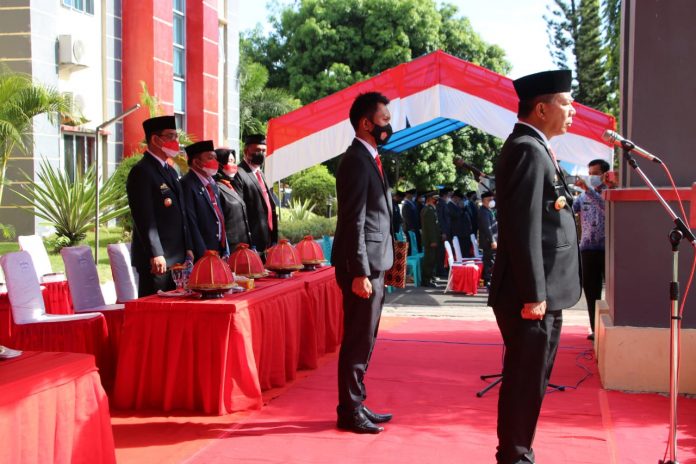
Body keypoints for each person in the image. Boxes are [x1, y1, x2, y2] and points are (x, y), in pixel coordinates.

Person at [487, 69, 581, 464]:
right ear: (541, 109)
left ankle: (518, 451)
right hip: (531, 295)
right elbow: (522, 226)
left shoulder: (535, 146)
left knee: (532, 381)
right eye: (565, 102)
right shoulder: (528, 149)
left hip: (541, 291)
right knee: (525, 382)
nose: (572, 109)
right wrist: (534, 295)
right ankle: (514, 455)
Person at [331, 91, 394, 434]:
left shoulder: (370, 157)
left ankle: (356, 402)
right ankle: (349, 411)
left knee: (365, 338)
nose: (389, 126)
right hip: (362, 267)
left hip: (374, 262)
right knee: (357, 339)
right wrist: (359, 271)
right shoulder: (356, 159)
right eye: (384, 120)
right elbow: (353, 219)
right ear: (366, 123)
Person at [127, 115, 192, 297]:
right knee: (155, 310)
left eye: (176, 136)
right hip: (158, 260)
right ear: (155, 139)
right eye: (171, 136)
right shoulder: (142, 171)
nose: (176, 141)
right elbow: (144, 218)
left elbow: (181, 213)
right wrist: (156, 253)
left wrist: (187, 247)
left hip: (177, 258)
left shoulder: (170, 170)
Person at [573, 159, 616, 340]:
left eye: (595, 173)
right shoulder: (582, 197)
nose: (592, 177)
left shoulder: (610, 194)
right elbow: (570, 209)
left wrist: (588, 190)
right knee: (591, 290)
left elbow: (605, 208)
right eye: (589, 173)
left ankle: (611, 326)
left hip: (607, 249)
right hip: (587, 249)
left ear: (605, 174)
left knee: (612, 292)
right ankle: (594, 329)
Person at [180, 140, 228, 261]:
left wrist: (225, 247)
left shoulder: (212, 184)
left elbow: (219, 217)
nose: (216, 162)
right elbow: (191, 223)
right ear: (196, 162)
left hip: (218, 249)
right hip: (203, 253)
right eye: (210, 158)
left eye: (215, 158)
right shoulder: (187, 184)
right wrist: (203, 254)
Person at [232, 134, 278, 257]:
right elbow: (240, 211)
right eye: (257, 150)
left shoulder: (262, 174)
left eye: (263, 151)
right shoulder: (238, 174)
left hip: (268, 236)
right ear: (246, 151)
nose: (261, 154)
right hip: (253, 240)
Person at [214, 147, 252, 252]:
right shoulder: (216, 188)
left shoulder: (230, 185)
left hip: (242, 246)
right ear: (219, 163)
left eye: (234, 161)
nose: (234, 165)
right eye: (230, 161)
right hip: (230, 248)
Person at [420, 191, 441, 288]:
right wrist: (433, 240)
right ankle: (426, 280)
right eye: (434, 198)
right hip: (430, 241)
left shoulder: (431, 209)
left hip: (432, 240)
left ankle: (430, 277)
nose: (436, 200)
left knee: (432, 260)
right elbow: (430, 227)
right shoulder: (428, 210)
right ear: (429, 199)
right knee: (429, 260)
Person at [478, 191, 498, 287]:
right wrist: (492, 240)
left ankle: (487, 279)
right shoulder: (484, 212)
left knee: (489, 260)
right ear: (484, 201)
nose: (491, 201)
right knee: (489, 260)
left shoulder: (488, 210)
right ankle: (487, 280)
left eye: (492, 199)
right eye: (489, 199)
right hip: (488, 242)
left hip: (489, 241)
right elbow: (487, 228)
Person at [448, 189, 474, 258]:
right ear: (455, 198)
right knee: (461, 252)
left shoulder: (460, 207)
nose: (460, 201)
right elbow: (455, 216)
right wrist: (461, 208)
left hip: (465, 232)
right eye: (459, 199)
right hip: (458, 233)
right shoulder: (450, 206)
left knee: (466, 251)